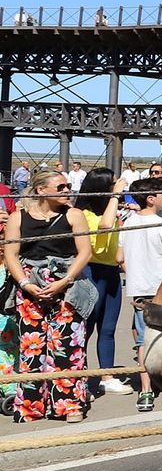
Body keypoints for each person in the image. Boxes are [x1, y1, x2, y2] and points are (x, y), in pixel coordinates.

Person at [1, 168, 94, 422]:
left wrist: (65, 281)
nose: (68, 190)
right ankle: (30, 406)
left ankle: (69, 406)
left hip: (67, 283)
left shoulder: (74, 215)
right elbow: (10, 254)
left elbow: (85, 252)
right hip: (29, 285)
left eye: (67, 186)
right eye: (61, 187)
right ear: (42, 190)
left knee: (67, 346)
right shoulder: (17, 218)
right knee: (31, 348)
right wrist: (24, 284)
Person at [121, 178, 162, 412]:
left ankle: (145, 391)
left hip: (138, 291)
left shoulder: (127, 223)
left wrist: (137, 274)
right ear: (151, 198)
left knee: (143, 342)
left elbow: (120, 258)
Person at [75, 167, 132, 397]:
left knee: (107, 329)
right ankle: (80, 377)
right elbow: (105, 225)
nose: (118, 187)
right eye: (113, 184)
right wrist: (116, 196)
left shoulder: (112, 210)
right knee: (85, 330)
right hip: (91, 272)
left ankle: (107, 376)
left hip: (110, 273)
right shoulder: (84, 214)